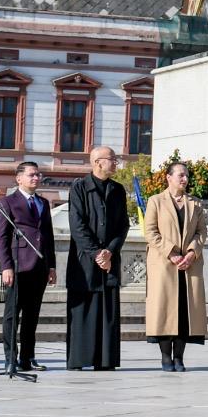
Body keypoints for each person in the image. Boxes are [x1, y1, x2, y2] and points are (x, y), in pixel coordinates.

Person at [66, 147, 130, 371]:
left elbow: (123, 225)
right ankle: (80, 358)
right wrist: (96, 253)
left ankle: (105, 360)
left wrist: (110, 251)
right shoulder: (79, 188)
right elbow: (77, 226)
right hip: (85, 261)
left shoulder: (118, 190)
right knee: (84, 310)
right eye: (112, 159)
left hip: (110, 260)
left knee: (108, 309)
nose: (116, 163)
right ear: (97, 162)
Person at [143, 160, 207, 371]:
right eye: (180, 175)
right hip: (164, 264)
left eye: (186, 175)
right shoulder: (156, 201)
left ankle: (179, 357)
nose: (184, 179)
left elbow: (201, 232)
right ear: (168, 177)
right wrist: (171, 253)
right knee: (164, 311)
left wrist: (191, 252)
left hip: (189, 266)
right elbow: (150, 232)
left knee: (185, 311)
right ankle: (165, 357)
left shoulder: (195, 203)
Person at [0, 161, 56, 372]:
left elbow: (48, 235)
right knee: (12, 315)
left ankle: (27, 358)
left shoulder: (43, 203)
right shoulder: (7, 202)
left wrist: (52, 266)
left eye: (38, 175)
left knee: (32, 316)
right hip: (18, 267)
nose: (36, 178)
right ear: (19, 178)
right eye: (31, 175)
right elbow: (1, 238)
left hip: (40, 266)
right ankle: (10, 358)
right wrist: (6, 266)